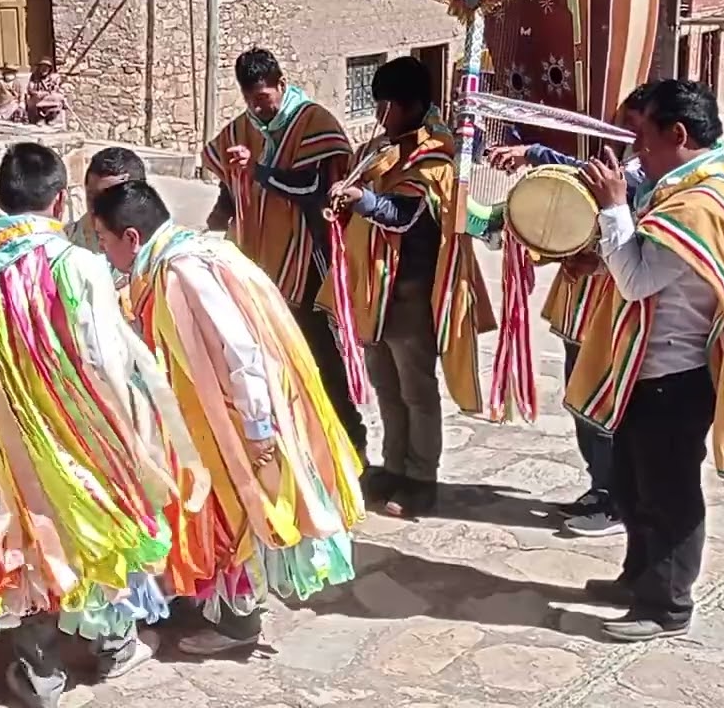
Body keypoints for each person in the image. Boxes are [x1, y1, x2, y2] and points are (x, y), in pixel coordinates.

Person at [0, 143, 206, 708]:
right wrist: (128, 430)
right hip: (74, 430)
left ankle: (40, 671)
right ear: (59, 200)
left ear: (2, 197)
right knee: (92, 527)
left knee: (21, 538)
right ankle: (114, 645)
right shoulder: (75, 263)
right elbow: (104, 357)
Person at [92, 179, 365, 656]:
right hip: (211, 415)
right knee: (217, 511)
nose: (103, 250)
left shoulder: (184, 270)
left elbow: (241, 349)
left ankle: (238, 622)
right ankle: (212, 602)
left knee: (231, 514)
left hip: (232, 420)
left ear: (131, 237)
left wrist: (258, 427)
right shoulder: (176, 259)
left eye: (104, 240)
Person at [569, 79, 724, 642]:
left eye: (643, 138)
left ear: (678, 134)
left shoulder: (699, 203)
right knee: (637, 487)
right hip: (651, 372)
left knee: (669, 496)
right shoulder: (681, 190)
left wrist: (615, 209)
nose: (636, 153)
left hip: (675, 377)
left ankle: (667, 606)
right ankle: (640, 577)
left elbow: (639, 279)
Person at [482, 81, 657, 537]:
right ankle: (601, 487)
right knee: (581, 403)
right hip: (580, 309)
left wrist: (537, 153)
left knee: (604, 407)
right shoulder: (632, 164)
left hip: (613, 312)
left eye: (635, 128)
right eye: (624, 126)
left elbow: (616, 207)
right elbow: (584, 182)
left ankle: (617, 500)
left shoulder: (652, 178)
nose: (627, 137)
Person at [324, 57, 491, 517]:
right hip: (373, 294)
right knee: (385, 386)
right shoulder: (381, 149)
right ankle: (394, 465)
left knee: (416, 389)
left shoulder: (435, 156)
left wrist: (363, 200)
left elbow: (405, 215)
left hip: (411, 293)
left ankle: (421, 475)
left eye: (386, 104)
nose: (380, 112)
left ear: (410, 105)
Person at [201, 47, 368, 462]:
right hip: (258, 263)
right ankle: (295, 443)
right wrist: (214, 224)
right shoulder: (242, 130)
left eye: (266, 98)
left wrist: (257, 169)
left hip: (306, 260)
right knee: (267, 358)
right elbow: (228, 185)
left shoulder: (313, 122)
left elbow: (310, 189)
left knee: (318, 355)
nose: (260, 107)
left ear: (281, 83)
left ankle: (351, 443)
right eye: (252, 99)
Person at [67, 145, 147, 254]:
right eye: (91, 198)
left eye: (110, 201)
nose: (98, 210)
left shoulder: (162, 254)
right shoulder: (65, 246)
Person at [26, 57, 67, 127]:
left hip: (49, 96)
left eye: (46, 67)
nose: (44, 69)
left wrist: (50, 91)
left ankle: (51, 118)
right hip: (38, 97)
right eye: (42, 67)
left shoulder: (54, 78)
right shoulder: (34, 76)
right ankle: (40, 118)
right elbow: (30, 88)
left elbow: (56, 89)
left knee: (57, 98)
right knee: (35, 101)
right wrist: (37, 93)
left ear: (49, 69)